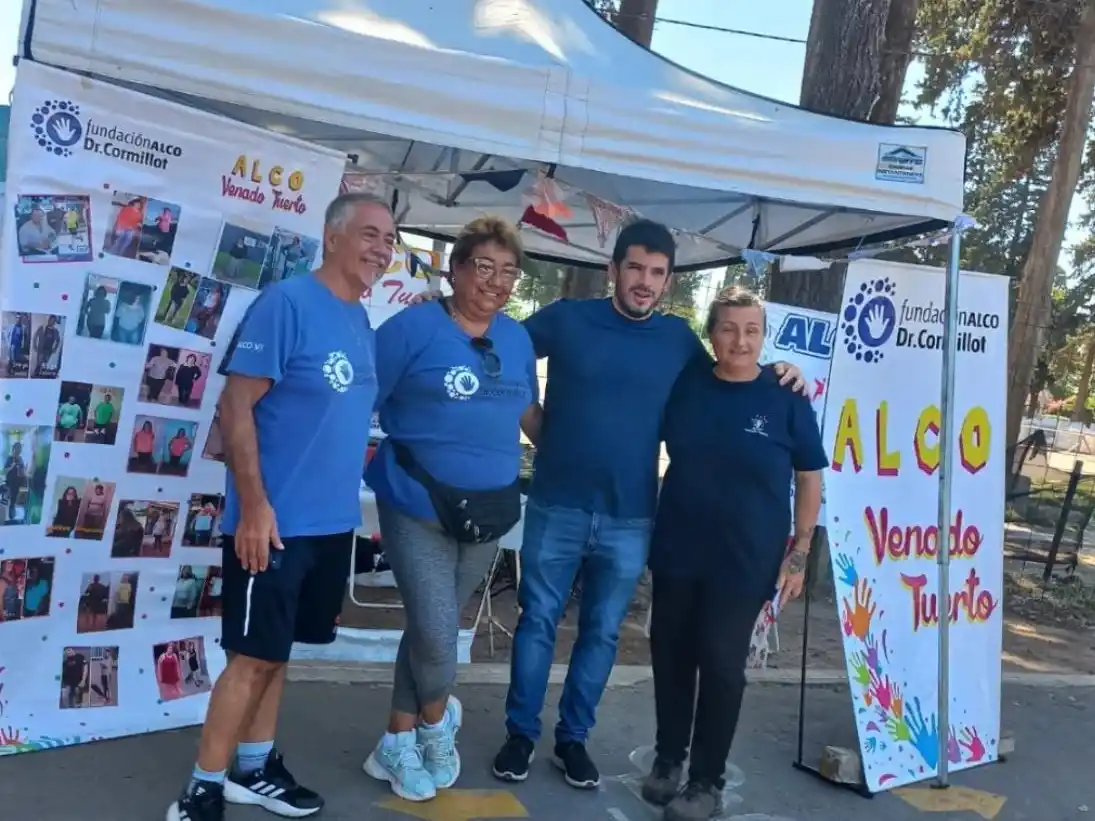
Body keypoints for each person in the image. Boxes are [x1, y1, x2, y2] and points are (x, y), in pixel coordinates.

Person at [489, 220, 805, 789]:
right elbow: (500, 347)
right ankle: (520, 735)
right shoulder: (566, 318)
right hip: (557, 505)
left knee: (603, 631)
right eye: (635, 268)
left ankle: (572, 740)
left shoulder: (680, 341)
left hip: (632, 515)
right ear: (612, 270)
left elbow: (730, 370)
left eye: (657, 273)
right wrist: (535, 424)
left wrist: (784, 371)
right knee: (537, 622)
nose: (644, 281)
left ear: (668, 282)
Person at [165, 193, 395, 821]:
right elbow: (235, 409)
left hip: (329, 525)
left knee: (278, 652)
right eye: (371, 234)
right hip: (274, 523)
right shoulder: (287, 304)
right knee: (251, 657)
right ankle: (201, 788)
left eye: (390, 239)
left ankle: (254, 765)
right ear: (332, 237)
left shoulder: (358, 321)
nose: (382, 248)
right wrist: (256, 508)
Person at [363, 217, 537, 802]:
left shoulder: (515, 338)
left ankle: (397, 738)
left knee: (429, 629)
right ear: (455, 269)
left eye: (508, 270)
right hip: (417, 503)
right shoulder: (411, 329)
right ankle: (434, 726)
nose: (496, 280)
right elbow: (363, 399)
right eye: (483, 266)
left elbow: (526, 414)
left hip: (487, 511)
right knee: (439, 634)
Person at [638, 288, 826, 820]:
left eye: (751, 330)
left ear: (763, 335)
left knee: (721, 664)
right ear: (711, 334)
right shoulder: (687, 384)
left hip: (746, 558)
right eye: (727, 328)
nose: (739, 340)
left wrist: (800, 551)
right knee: (670, 655)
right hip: (678, 546)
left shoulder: (787, 395)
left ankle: (705, 782)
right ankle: (668, 759)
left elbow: (809, 477)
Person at [4, 442, 27, 524]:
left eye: (19, 449)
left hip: (20, 484)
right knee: (12, 502)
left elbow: (22, 471)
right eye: (16, 449)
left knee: (19, 503)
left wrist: (24, 471)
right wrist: (11, 466)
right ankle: (11, 519)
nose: (18, 451)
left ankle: (18, 519)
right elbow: (5, 471)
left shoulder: (20, 459)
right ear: (13, 449)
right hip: (11, 484)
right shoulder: (9, 458)